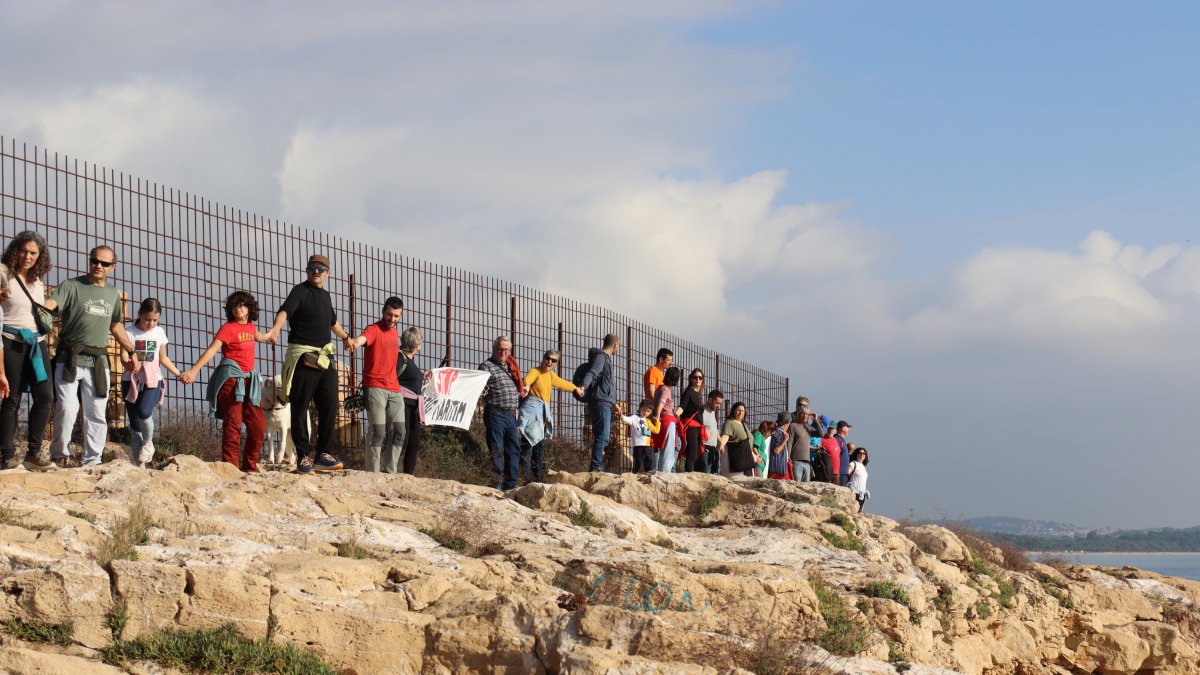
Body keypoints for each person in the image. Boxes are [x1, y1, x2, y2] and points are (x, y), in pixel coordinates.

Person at [50, 245, 141, 467]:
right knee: (66, 408)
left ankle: (92, 460)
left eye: (104, 263)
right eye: (95, 261)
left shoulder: (112, 294)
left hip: (98, 362)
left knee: (97, 413)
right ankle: (59, 456)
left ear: (113, 267)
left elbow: (116, 324)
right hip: (69, 358)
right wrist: (36, 308)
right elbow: (51, 305)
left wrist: (131, 351)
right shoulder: (71, 285)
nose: (98, 266)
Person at [264, 254, 353, 475]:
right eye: (312, 268)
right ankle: (303, 457)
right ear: (307, 270)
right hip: (303, 356)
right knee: (300, 406)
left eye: (321, 269)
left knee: (330, 405)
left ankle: (324, 454)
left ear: (328, 273)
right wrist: (275, 329)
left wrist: (345, 337)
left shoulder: (326, 297)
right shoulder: (300, 291)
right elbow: (284, 311)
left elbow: (332, 322)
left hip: (324, 358)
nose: (316, 272)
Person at [180, 291, 271, 472]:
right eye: (235, 305)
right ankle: (231, 468)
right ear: (230, 309)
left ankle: (250, 466)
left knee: (258, 425)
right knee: (233, 424)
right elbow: (212, 350)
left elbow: (261, 336)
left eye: (243, 305)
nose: (239, 308)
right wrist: (194, 370)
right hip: (231, 379)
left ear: (250, 309)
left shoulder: (251, 327)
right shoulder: (228, 328)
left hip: (250, 382)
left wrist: (273, 333)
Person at [0, 231, 55, 471]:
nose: (28, 256)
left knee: (45, 396)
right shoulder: (3, 274)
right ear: (15, 250)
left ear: (40, 256)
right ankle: (7, 455)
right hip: (11, 340)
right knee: (11, 398)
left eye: (33, 252)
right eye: (23, 250)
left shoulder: (37, 280)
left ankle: (34, 453)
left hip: (37, 342)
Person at [346, 297, 406, 473]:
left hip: (394, 388)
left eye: (396, 316)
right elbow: (363, 338)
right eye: (389, 314)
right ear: (383, 311)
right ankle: (373, 473)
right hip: (374, 386)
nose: (392, 319)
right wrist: (355, 342)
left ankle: (391, 471)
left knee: (399, 431)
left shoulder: (396, 333)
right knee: (378, 430)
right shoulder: (373, 329)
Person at [121, 298, 183, 467]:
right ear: (140, 314)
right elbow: (124, 357)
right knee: (134, 423)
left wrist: (179, 374)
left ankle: (148, 444)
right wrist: (130, 365)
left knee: (144, 412)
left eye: (155, 320)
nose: (151, 323)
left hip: (152, 379)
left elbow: (163, 358)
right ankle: (138, 463)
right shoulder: (129, 332)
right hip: (131, 380)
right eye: (147, 319)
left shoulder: (159, 333)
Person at [519, 350, 583, 484]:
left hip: (541, 416)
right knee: (527, 447)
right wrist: (526, 386)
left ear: (556, 364)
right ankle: (524, 480)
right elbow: (528, 379)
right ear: (543, 358)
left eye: (553, 361)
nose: (550, 362)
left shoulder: (550, 375)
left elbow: (562, 383)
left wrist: (575, 388)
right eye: (548, 358)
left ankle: (537, 480)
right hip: (532, 413)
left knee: (539, 449)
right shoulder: (536, 371)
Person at [480, 336, 524, 489]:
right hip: (495, 414)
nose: (503, 352)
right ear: (494, 349)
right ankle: (496, 485)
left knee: (513, 449)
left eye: (506, 349)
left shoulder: (512, 367)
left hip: (511, 416)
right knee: (496, 450)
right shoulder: (486, 366)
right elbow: (478, 388)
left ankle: (511, 485)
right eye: (500, 349)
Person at [577, 332, 619, 472]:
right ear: (615, 345)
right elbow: (593, 373)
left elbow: (605, 383)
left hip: (605, 401)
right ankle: (595, 465)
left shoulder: (604, 359)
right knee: (602, 435)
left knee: (603, 435)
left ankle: (596, 464)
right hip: (601, 402)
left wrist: (614, 403)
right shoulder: (601, 357)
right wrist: (583, 387)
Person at [395, 327, 426, 474]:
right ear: (417, 345)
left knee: (413, 443)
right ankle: (391, 469)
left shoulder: (409, 360)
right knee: (403, 439)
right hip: (403, 403)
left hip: (414, 405)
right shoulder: (400, 357)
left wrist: (423, 375)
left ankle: (408, 475)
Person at [650, 365, 681, 473]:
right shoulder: (666, 390)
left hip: (662, 420)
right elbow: (661, 403)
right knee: (668, 449)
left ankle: (660, 470)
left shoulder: (659, 388)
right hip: (667, 421)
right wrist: (657, 416)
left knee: (662, 448)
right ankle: (665, 472)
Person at [619, 399, 660, 473]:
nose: (645, 412)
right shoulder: (635, 417)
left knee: (650, 458)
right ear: (639, 408)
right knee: (639, 461)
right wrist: (622, 417)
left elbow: (656, 430)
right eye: (644, 410)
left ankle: (650, 471)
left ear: (650, 412)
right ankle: (638, 473)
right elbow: (628, 419)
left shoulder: (648, 421)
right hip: (638, 446)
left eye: (648, 411)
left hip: (648, 445)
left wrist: (657, 422)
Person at [678, 368, 706, 472]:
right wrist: (676, 414)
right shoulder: (689, 393)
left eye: (700, 378)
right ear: (691, 379)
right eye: (695, 377)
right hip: (691, 426)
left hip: (698, 427)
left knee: (696, 452)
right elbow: (683, 406)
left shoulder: (699, 395)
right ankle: (689, 474)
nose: (698, 379)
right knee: (692, 452)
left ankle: (689, 471)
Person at [718, 402, 755, 476]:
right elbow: (726, 435)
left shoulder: (744, 424)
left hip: (747, 459)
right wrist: (721, 444)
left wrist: (754, 455)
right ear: (733, 411)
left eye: (743, 411)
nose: (741, 412)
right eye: (738, 410)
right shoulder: (730, 423)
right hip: (738, 459)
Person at [787, 403, 813, 482]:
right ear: (798, 414)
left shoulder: (809, 427)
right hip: (796, 461)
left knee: (807, 486)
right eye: (803, 414)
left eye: (807, 414)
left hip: (807, 462)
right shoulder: (793, 426)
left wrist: (815, 419)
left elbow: (821, 434)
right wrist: (788, 458)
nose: (805, 416)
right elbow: (790, 442)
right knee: (797, 484)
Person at [701, 389, 724, 475]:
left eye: (720, 404)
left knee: (712, 473)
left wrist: (721, 442)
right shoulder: (702, 412)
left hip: (713, 448)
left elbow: (714, 429)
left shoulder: (712, 413)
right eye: (717, 403)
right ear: (710, 400)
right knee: (705, 474)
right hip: (704, 448)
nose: (719, 407)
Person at [766, 411, 792, 479]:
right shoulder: (778, 432)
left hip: (779, 469)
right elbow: (776, 450)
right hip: (777, 470)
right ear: (787, 423)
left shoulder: (780, 432)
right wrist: (786, 439)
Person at [846, 447, 870, 512]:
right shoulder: (853, 464)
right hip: (854, 492)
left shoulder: (863, 467)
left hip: (862, 494)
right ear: (856, 454)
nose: (862, 455)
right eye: (860, 453)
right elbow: (846, 473)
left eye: (864, 453)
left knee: (859, 512)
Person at [836, 420, 852, 487]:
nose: (849, 429)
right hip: (840, 473)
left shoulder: (841, 439)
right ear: (842, 428)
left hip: (843, 473)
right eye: (847, 427)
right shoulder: (838, 439)